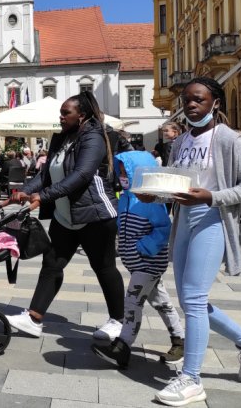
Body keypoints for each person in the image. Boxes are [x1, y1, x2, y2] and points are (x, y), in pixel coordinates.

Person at [141, 77, 241, 406]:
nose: (191, 104)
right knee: (194, 303)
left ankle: (192, 378)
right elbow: (175, 182)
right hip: (184, 224)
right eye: (187, 100)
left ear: (214, 103)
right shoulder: (180, 141)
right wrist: (155, 195)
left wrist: (212, 197)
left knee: (193, 299)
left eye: (199, 99)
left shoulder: (230, 139)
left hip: (213, 221)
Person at [4, 91, 124, 342]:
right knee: (52, 264)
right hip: (65, 214)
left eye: (65, 113)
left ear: (82, 114)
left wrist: (43, 197)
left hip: (95, 214)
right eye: (60, 113)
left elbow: (81, 175)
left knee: (103, 267)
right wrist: (25, 191)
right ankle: (34, 318)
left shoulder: (94, 137)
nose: (60, 117)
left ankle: (118, 321)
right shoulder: (62, 138)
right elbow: (47, 174)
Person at [91, 151, 184, 369]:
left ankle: (122, 348)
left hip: (148, 263)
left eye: (126, 172)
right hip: (137, 264)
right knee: (162, 303)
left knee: (132, 303)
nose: (122, 176)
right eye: (121, 172)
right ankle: (179, 340)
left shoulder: (150, 200)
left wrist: (142, 247)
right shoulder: (125, 198)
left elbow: (164, 229)